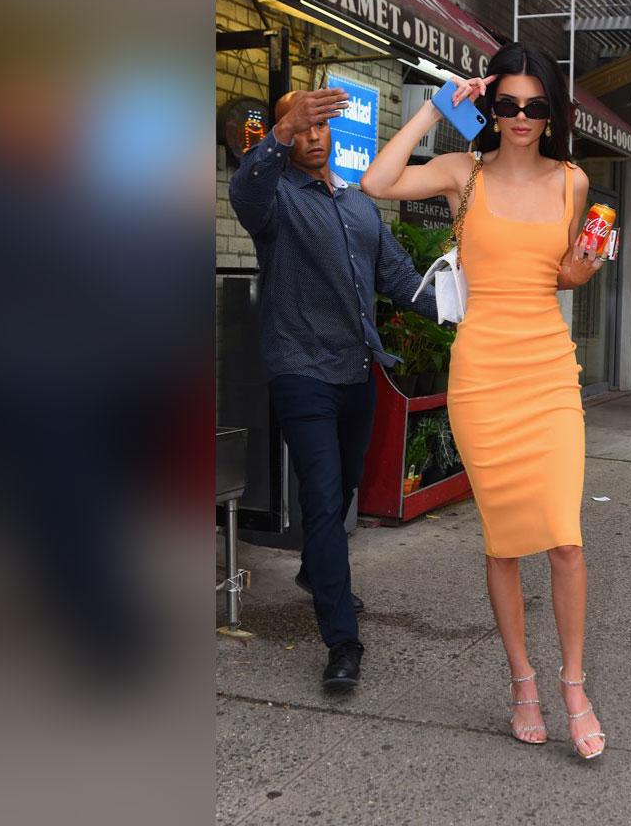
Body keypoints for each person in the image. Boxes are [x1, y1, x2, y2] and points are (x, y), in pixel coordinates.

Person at [361, 42, 609, 759]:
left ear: (552, 111)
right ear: (489, 107)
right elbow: (376, 182)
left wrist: (584, 268)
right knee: (504, 541)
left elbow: (559, 275)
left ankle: (572, 685)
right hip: (483, 375)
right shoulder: (459, 172)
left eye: (536, 105)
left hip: (548, 374)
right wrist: (437, 111)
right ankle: (522, 681)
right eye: (506, 104)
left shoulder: (573, 181)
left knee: (565, 537)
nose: (522, 117)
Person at [228, 87, 440, 690]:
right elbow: (243, 190)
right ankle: (342, 640)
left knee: (343, 487)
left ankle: (313, 574)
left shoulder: (357, 204)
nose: (313, 135)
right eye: (302, 126)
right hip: (301, 371)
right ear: (288, 134)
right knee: (322, 500)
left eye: (321, 125)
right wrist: (278, 132)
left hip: (356, 370)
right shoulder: (273, 201)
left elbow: (399, 277)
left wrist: (460, 311)